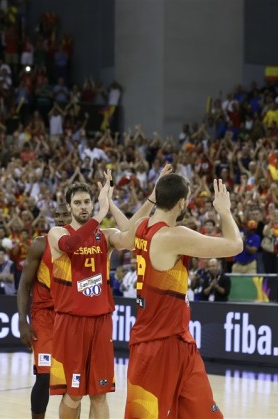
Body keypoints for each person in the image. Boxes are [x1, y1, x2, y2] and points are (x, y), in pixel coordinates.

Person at [124, 177, 242, 418]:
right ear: (181, 203)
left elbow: (124, 231)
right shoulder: (173, 236)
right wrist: (224, 211)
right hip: (158, 344)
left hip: (177, 340)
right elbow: (234, 245)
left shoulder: (141, 226)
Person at [47, 171, 150, 419]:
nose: (83, 207)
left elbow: (131, 235)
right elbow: (72, 245)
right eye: (78, 203)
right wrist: (99, 214)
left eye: (87, 202)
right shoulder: (57, 234)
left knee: (100, 393)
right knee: (72, 394)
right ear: (69, 207)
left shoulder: (104, 235)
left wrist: (150, 199)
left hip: (101, 321)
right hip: (71, 322)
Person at [17, 203, 71, 419]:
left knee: (72, 381)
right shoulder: (40, 244)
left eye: (64, 214)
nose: (59, 218)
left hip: (71, 318)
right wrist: (22, 321)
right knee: (45, 377)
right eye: (56, 215)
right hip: (44, 317)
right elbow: (24, 285)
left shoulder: (85, 245)